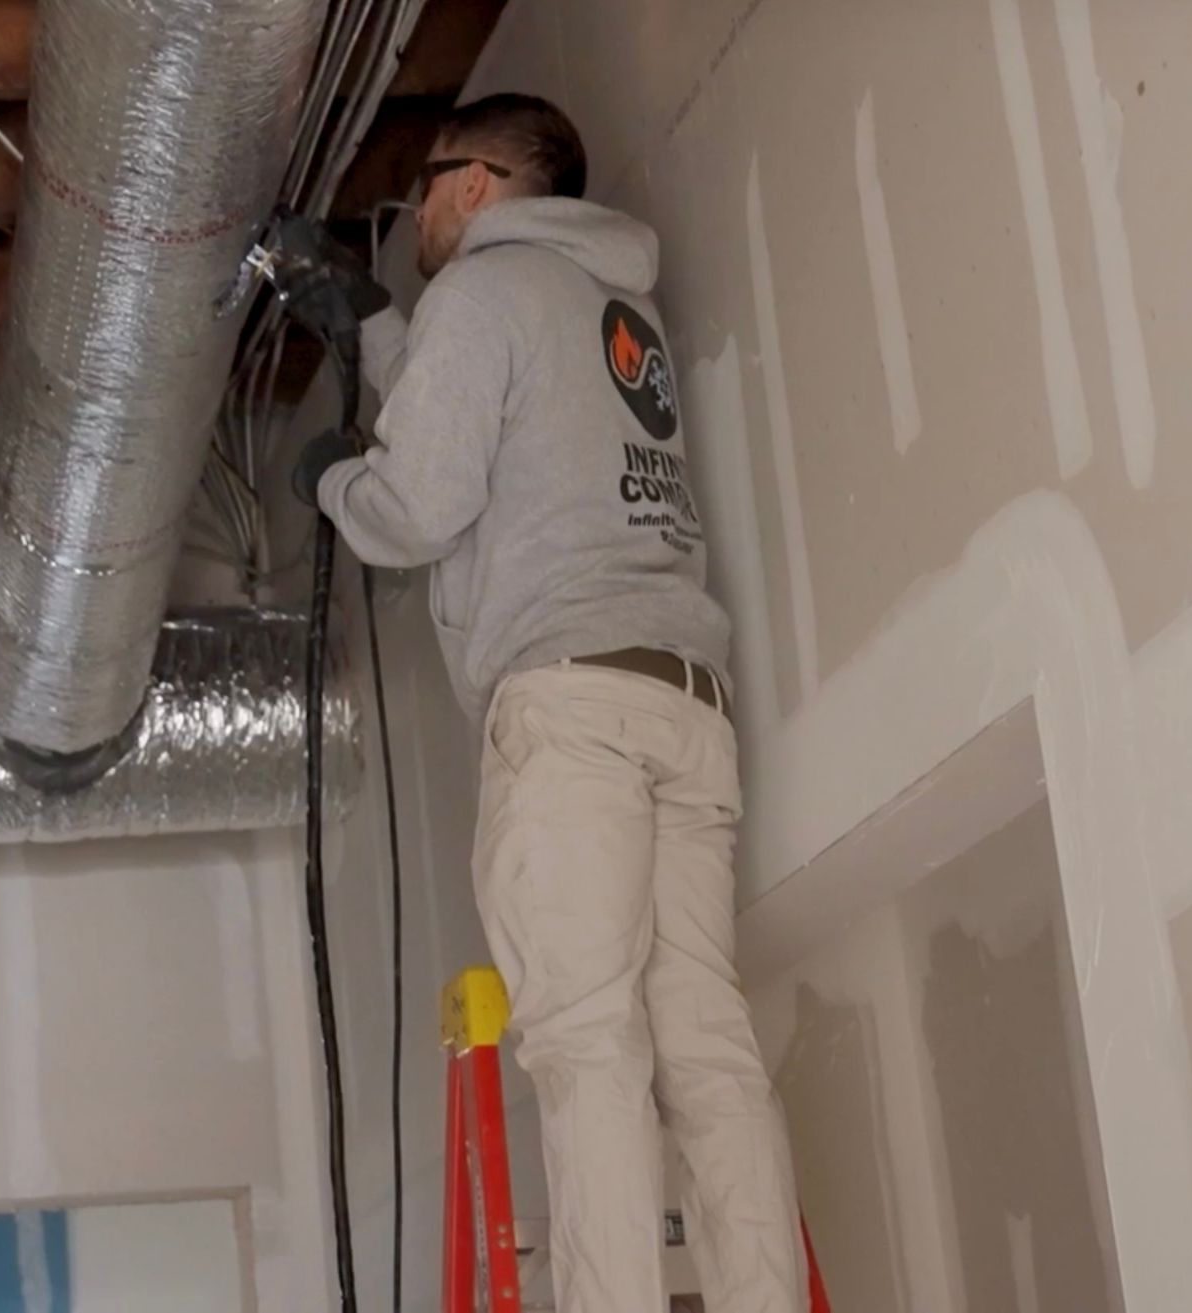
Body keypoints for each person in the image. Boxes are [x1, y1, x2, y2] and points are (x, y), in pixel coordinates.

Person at [284, 93, 808, 1313]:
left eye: (423, 189)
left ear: (473, 185)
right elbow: (490, 414)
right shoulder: (614, 307)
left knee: (587, 1045)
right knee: (707, 1051)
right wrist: (372, 326)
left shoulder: (480, 295)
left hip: (570, 712)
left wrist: (331, 484)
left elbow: (418, 504)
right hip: (683, 704)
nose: (416, 216)